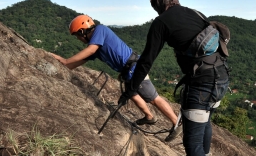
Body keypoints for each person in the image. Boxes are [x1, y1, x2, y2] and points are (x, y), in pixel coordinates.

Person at [119, 0, 230, 156]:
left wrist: (131, 88)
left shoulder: (161, 23)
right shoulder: (195, 13)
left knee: (191, 143)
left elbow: (146, 60)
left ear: (158, 1)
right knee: (206, 119)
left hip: (201, 84)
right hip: (220, 77)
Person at [49, 14, 180, 139]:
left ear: (82, 31)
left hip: (135, 68)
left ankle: (176, 122)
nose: (78, 39)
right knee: (132, 93)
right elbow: (82, 60)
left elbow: (90, 50)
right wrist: (63, 65)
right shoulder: (97, 44)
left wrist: (66, 61)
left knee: (153, 98)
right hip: (128, 70)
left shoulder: (99, 30)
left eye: (77, 35)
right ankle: (150, 117)